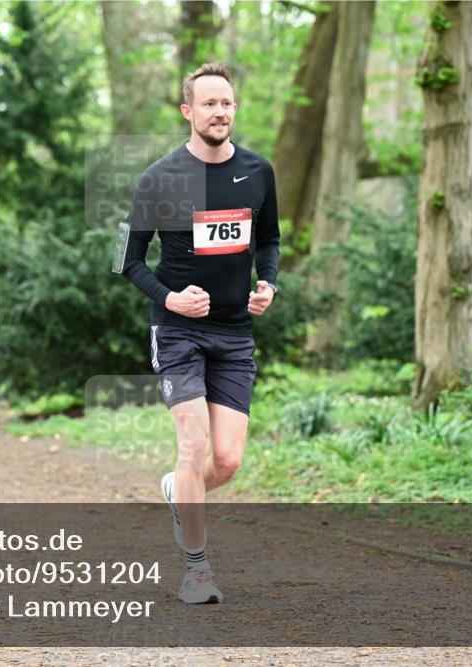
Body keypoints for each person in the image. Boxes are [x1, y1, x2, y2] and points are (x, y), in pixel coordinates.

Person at [120, 63, 279, 604]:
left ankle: (177, 490)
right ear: (188, 111)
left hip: (234, 334)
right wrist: (169, 298)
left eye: (227, 103)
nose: (220, 112)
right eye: (209, 103)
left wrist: (269, 285)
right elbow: (130, 261)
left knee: (227, 462)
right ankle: (197, 570)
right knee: (193, 445)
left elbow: (270, 243)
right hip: (178, 331)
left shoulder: (259, 171)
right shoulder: (158, 179)